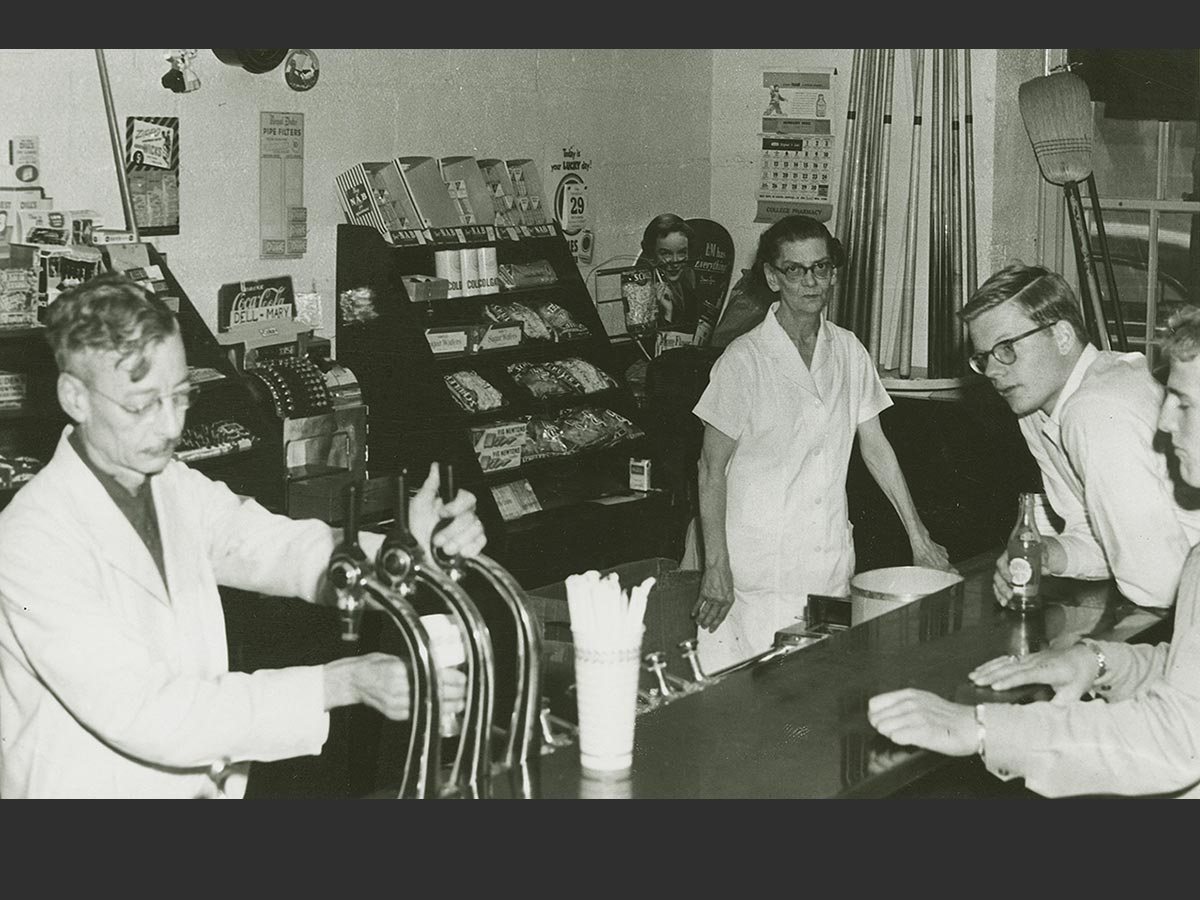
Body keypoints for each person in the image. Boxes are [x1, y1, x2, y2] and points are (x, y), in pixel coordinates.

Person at [0, 272, 486, 799]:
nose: (169, 427)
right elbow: (151, 714)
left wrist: (407, 552)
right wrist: (337, 683)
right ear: (75, 396)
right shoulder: (32, 540)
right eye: (141, 405)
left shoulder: (171, 485)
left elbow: (277, 548)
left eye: (180, 397)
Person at [867, 305, 1200, 798]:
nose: (1164, 421)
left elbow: (1177, 740)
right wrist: (1098, 662)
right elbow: (1188, 682)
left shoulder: (1092, 410)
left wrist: (982, 728)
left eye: (1184, 403)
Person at [690, 214, 952, 673]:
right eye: (795, 270)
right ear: (772, 277)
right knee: (745, 708)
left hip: (826, 564)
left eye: (822, 267)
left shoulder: (849, 350)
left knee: (812, 705)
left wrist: (919, 535)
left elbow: (877, 448)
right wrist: (715, 566)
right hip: (754, 573)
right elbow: (710, 469)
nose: (811, 282)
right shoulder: (744, 360)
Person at [959, 262, 1200, 610]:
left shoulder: (1094, 408)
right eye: (983, 358)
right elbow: (1099, 536)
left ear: (1062, 336)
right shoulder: (1034, 407)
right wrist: (1049, 553)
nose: (994, 371)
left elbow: (1158, 584)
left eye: (1007, 348)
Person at [637, 213, 700, 334]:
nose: (675, 261)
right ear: (652, 254)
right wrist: (667, 314)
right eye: (666, 253)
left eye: (682, 252)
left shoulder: (689, 289)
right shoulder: (642, 293)